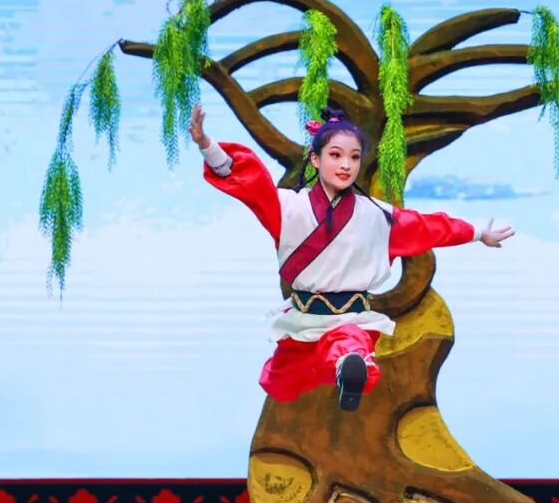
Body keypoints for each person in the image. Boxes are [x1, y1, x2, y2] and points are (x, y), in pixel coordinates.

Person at [190, 104, 514, 411]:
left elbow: (427, 227)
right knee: (277, 382)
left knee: (348, 347)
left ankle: (350, 367)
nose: (346, 165)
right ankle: (338, 367)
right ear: (315, 159)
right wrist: (207, 145)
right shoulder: (288, 207)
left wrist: (476, 233)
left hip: (350, 319)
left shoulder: (376, 216)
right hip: (302, 317)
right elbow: (252, 184)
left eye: (354, 157)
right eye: (336, 155)